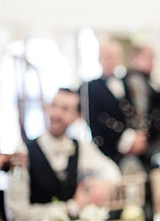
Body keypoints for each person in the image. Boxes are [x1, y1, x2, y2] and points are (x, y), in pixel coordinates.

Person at [5, 88, 121, 221]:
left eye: (65, 109)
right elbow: (16, 214)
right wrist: (70, 208)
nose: (56, 114)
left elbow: (112, 170)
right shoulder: (22, 152)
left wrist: (104, 185)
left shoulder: (81, 147)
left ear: (77, 117)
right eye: (54, 106)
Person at [82, 39, 148, 165]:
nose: (110, 60)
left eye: (114, 56)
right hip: (108, 151)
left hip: (135, 152)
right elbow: (96, 121)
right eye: (107, 56)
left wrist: (137, 136)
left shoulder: (127, 82)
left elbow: (133, 113)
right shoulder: (91, 87)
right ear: (99, 58)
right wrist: (127, 141)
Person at [124, 45, 160, 169]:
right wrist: (138, 136)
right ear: (135, 58)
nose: (151, 61)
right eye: (147, 57)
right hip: (142, 142)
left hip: (155, 139)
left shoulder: (152, 81)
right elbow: (139, 112)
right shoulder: (133, 80)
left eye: (152, 58)